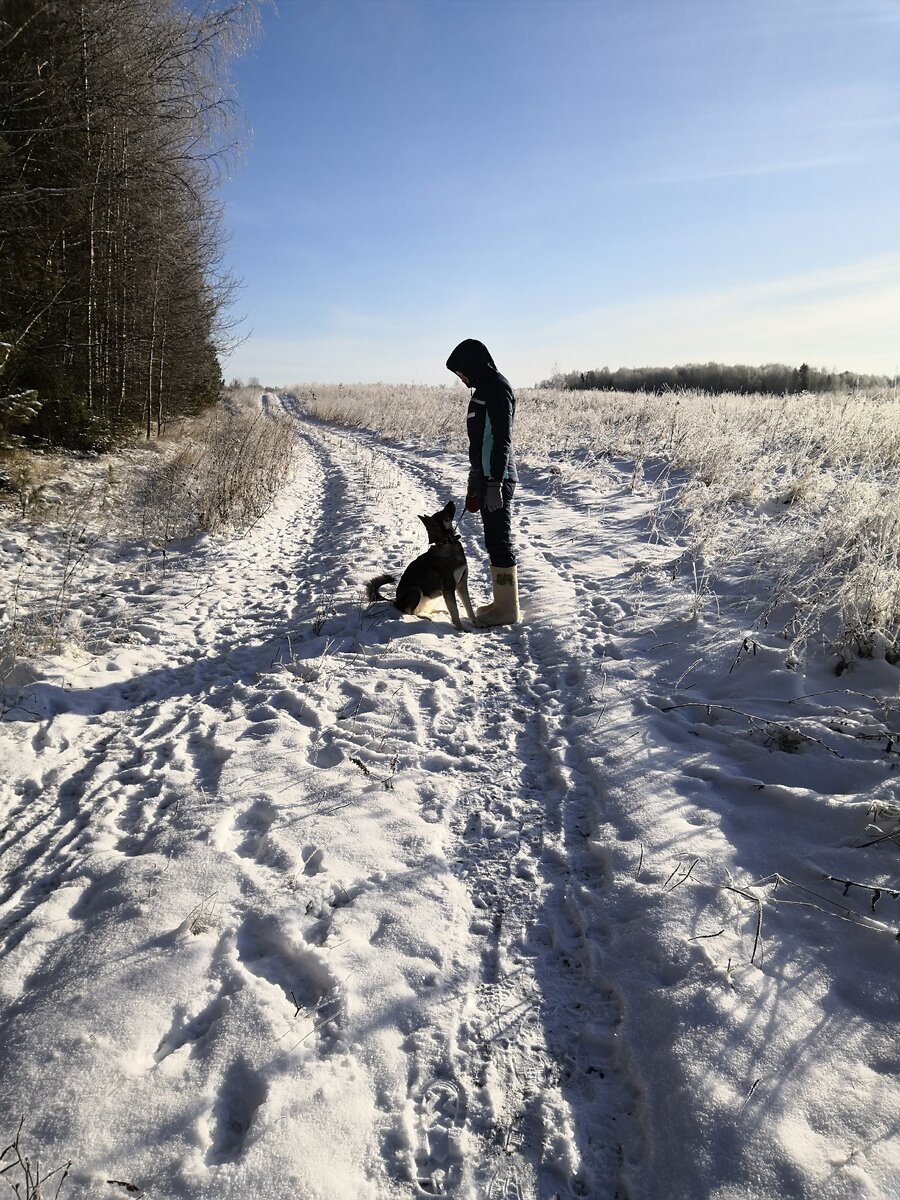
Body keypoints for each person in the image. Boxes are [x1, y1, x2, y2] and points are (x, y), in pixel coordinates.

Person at [445, 338, 520, 625]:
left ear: (474, 365)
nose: (461, 378)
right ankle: (501, 602)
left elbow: (501, 440)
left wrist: (494, 484)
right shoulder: (484, 389)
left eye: (461, 372)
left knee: (499, 540)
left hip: (498, 479)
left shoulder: (498, 390)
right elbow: (480, 443)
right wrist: (474, 478)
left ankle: (507, 610)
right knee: (492, 539)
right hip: (486, 476)